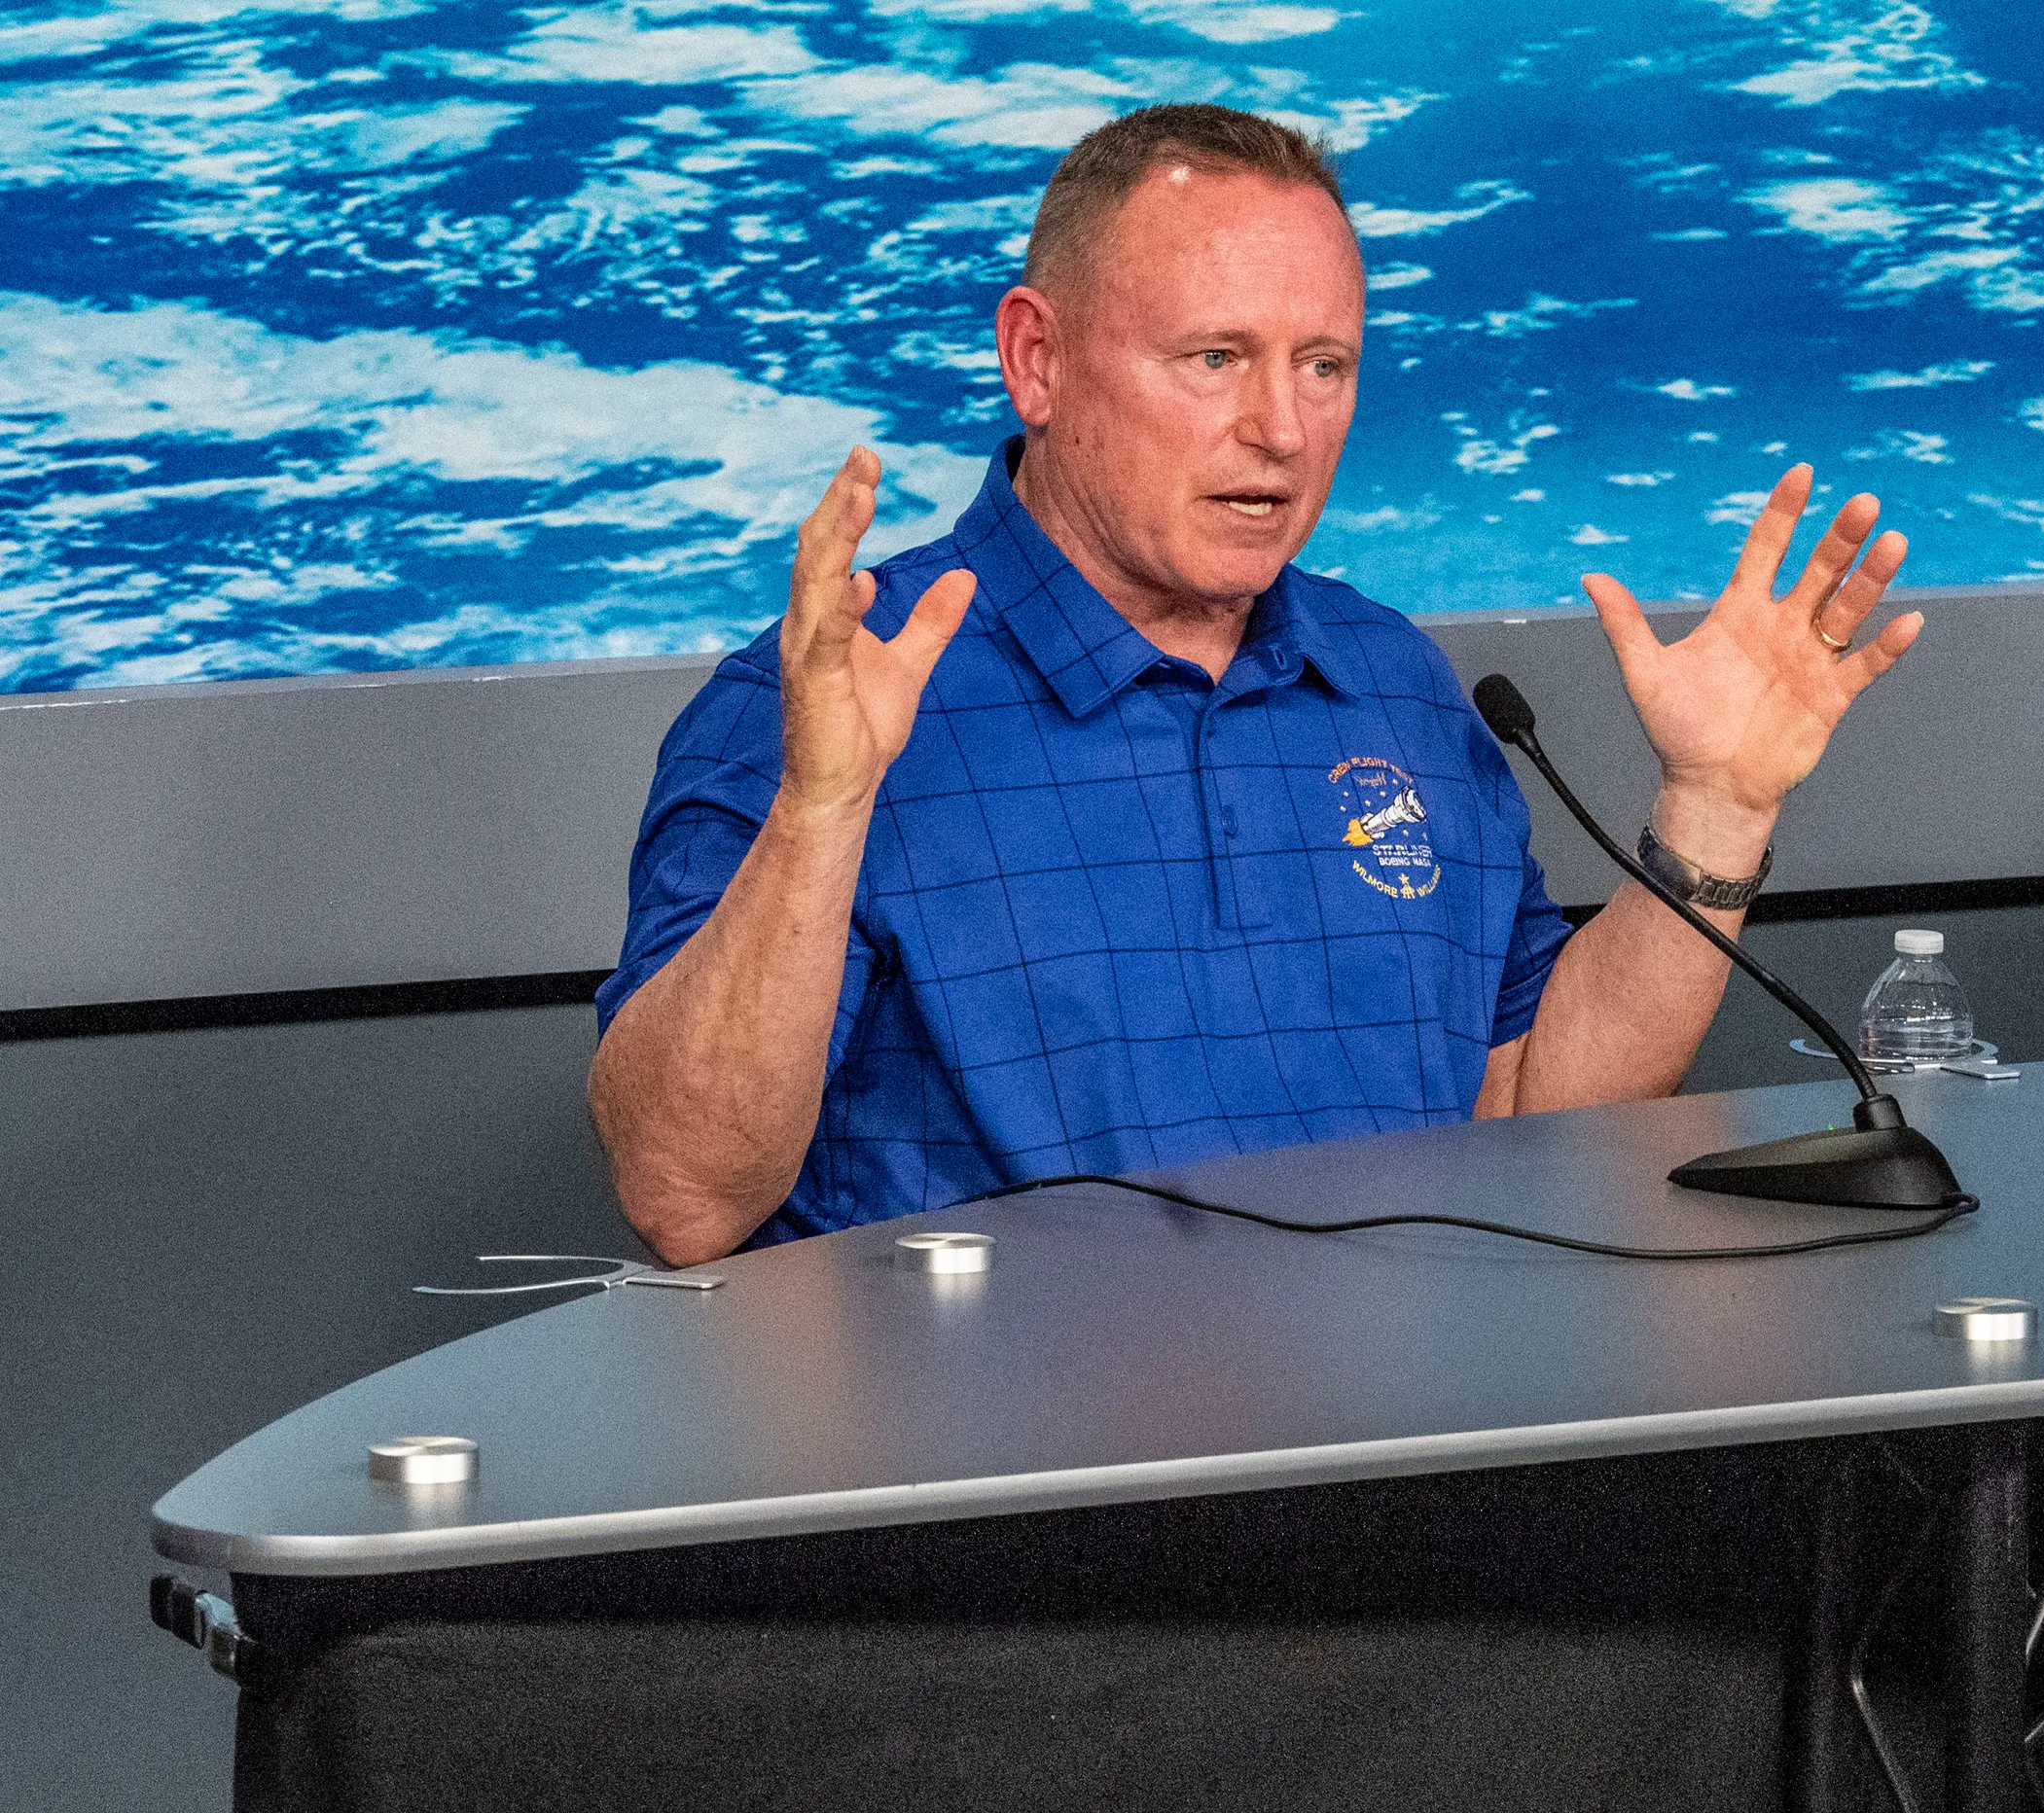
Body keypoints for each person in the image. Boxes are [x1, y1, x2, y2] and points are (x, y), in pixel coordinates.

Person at [592, 105, 1924, 1265]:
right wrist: (823, 811)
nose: (1281, 431)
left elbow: (1524, 1108)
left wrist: (1716, 808)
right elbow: (685, 1197)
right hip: (992, 1505)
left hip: (1390, 1472)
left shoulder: (1392, 683)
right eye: (1214, 358)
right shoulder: (833, 696)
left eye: (1324, 365)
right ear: (1036, 360)